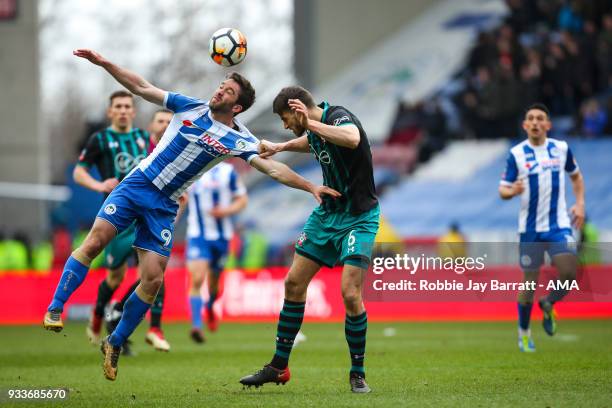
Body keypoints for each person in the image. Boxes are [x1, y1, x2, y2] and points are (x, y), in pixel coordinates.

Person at [43, 49, 340, 382]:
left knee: (152, 279)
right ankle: (56, 306)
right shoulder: (189, 105)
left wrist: (310, 186)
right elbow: (142, 86)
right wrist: (105, 64)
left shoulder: (239, 138)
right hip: (137, 184)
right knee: (96, 240)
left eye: (227, 91)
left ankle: (115, 340)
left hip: (165, 204)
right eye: (221, 86)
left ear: (237, 107)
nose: (218, 91)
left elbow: (272, 169)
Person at [239, 86, 380, 393]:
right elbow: (312, 141)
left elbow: (352, 138)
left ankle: (357, 372)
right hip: (327, 215)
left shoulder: (338, 116)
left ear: (297, 108)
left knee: (350, 294)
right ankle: (278, 367)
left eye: (284, 117)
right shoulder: (315, 129)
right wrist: (282, 145)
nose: (284, 123)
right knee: (293, 283)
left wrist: (310, 123)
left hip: (359, 217)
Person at [77, 91, 170, 353]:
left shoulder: (143, 139)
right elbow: (78, 171)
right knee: (115, 277)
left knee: (151, 273)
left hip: (143, 217)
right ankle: (99, 314)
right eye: (117, 106)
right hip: (116, 217)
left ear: (133, 111)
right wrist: (98, 184)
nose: (122, 110)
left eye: (127, 106)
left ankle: (142, 326)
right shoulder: (101, 139)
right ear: (110, 112)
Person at [499, 103, 585, 353]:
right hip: (530, 229)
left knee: (570, 271)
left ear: (548, 125)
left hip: (558, 224)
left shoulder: (561, 149)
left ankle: (548, 302)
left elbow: (577, 178)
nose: (535, 122)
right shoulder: (516, 154)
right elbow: (503, 189)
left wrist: (579, 204)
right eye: (531, 118)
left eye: (540, 118)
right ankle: (524, 335)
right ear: (525, 125)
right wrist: (511, 191)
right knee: (529, 282)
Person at [186, 161, 248, 343]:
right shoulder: (192, 167)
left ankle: (211, 305)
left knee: (215, 284)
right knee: (197, 279)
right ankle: (196, 326)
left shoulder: (228, 172)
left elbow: (242, 200)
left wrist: (227, 210)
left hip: (222, 237)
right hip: (198, 234)